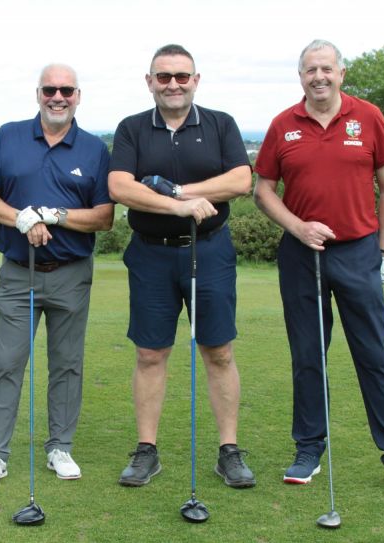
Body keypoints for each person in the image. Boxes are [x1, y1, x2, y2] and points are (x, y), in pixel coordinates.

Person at [253, 39, 384, 497]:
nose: (319, 77)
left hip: (358, 252)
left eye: (326, 68)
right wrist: (297, 227)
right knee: (308, 356)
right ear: (301, 76)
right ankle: (308, 448)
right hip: (301, 255)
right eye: (311, 69)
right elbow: (263, 191)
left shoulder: (368, 116)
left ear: (341, 74)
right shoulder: (282, 125)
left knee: (374, 356)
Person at [108, 44, 256, 489]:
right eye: (163, 76)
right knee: (150, 353)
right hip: (151, 253)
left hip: (209, 250)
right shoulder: (132, 128)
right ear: (149, 81)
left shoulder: (220, 124)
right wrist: (178, 207)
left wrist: (175, 190)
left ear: (195, 80)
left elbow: (241, 180)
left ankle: (229, 451)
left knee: (219, 350)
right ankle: (146, 450)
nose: (173, 84)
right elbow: (120, 187)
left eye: (181, 76)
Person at [0, 63, 113, 487]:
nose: (57, 97)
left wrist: (55, 215)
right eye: (50, 89)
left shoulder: (94, 149)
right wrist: (21, 217)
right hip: (18, 274)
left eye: (66, 90)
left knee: (67, 365)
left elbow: (104, 217)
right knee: (7, 363)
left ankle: (59, 448)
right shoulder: (10, 135)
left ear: (78, 96)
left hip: (71, 273)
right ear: (38, 94)